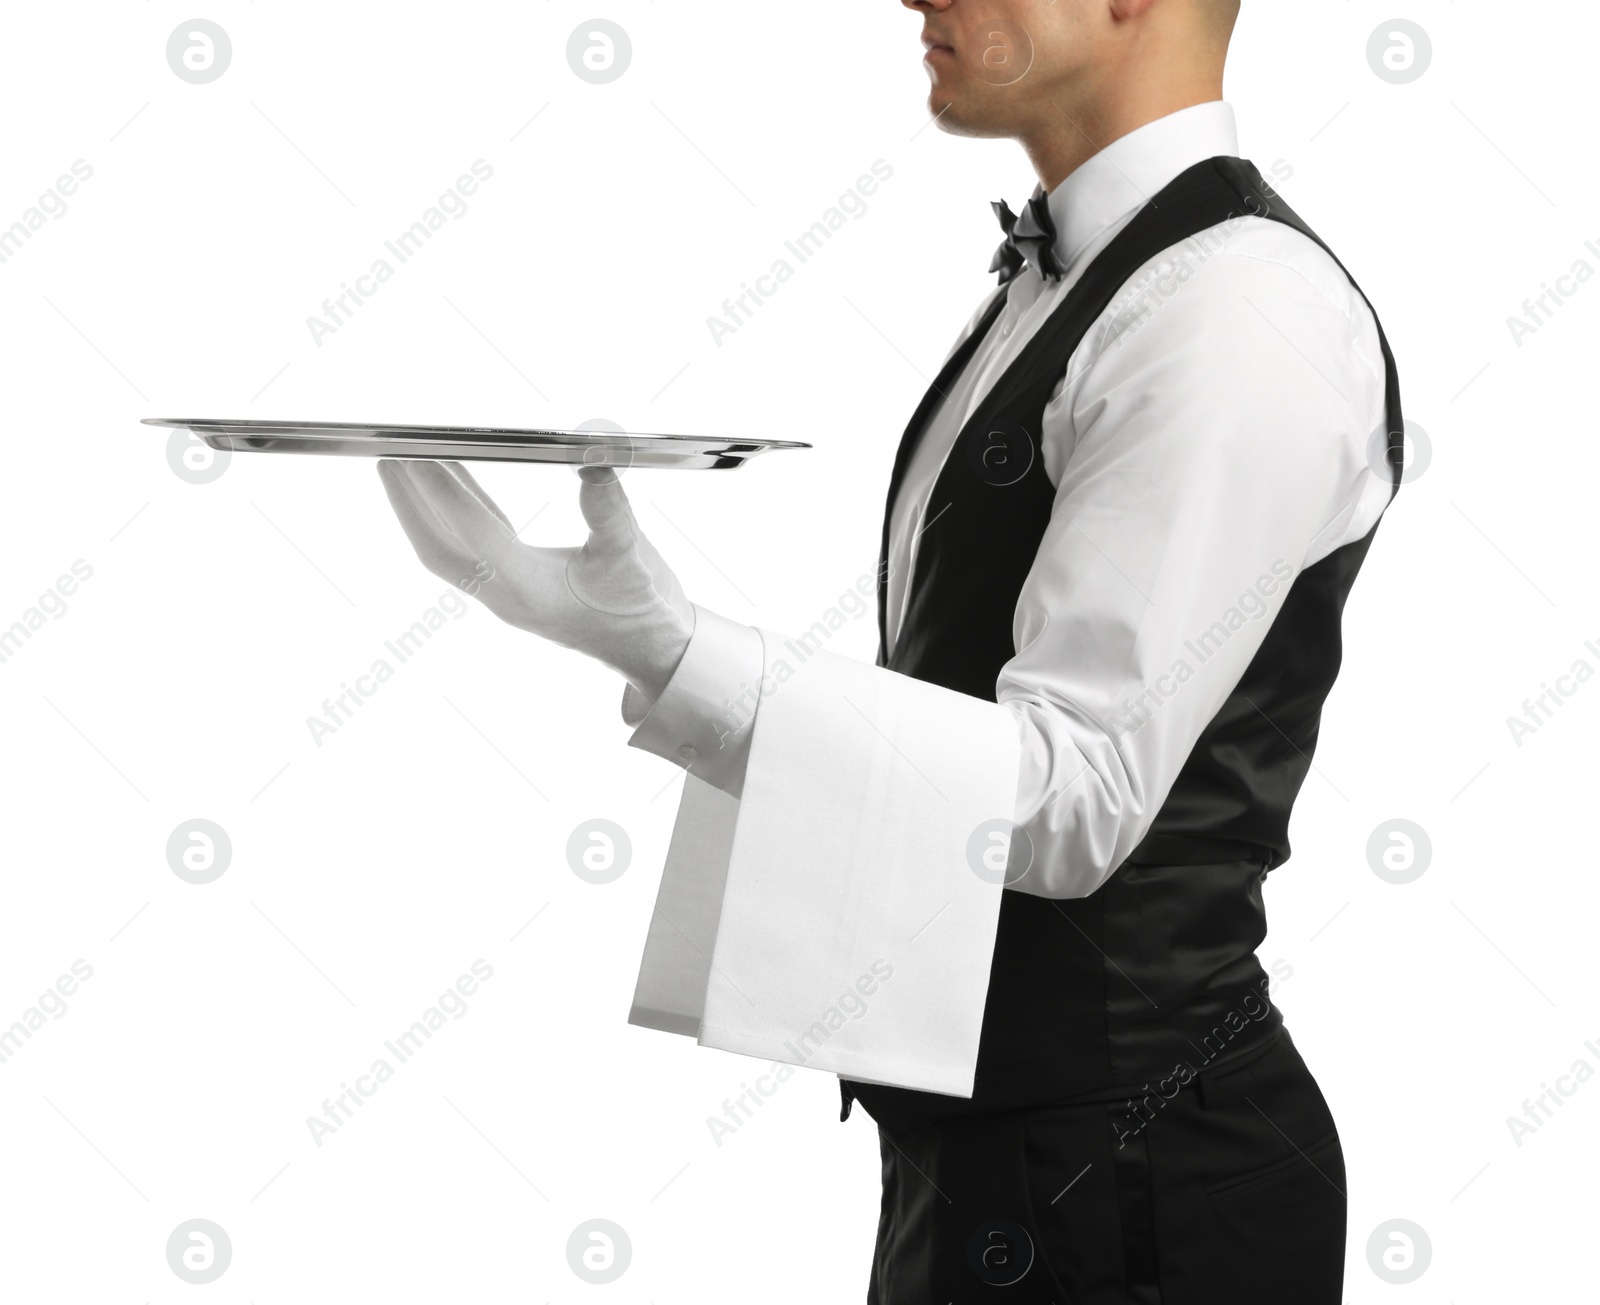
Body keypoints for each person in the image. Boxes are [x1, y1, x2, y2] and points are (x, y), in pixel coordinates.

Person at [377, 0, 1404, 1298]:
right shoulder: (1095, 278)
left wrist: (673, 646)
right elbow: (965, 700)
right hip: (982, 1163)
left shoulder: (1238, 309)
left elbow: (1074, 795)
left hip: (1133, 1193)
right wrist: (634, 643)